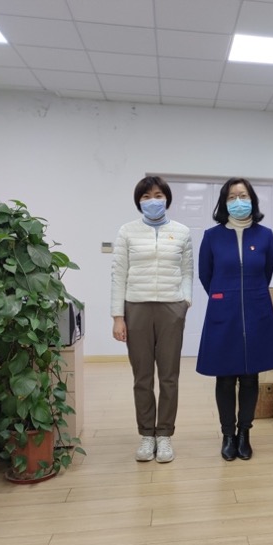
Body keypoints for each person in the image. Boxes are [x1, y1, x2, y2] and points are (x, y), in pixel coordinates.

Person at [196, 178, 273, 461]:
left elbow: (266, 273)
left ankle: (244, 433)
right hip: (223, 312)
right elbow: (205, 275)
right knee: (224, 377)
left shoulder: (265, 235)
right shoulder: (212, 236)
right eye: (232, 196)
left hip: (257, 311)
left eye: (243, 195)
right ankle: (227, 435)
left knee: (250, 376)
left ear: (252, 200)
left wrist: (250, 295)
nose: (238, 201)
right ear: (224, 202)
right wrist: (224, 296)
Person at [111, 175, 193, 464]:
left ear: (167, 198)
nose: (152, 201)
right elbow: (118, 274)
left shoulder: (181, 232)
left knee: (169, 376)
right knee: (142, 377)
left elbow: (187, 271)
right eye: (146, 197)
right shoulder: (127, 231)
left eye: (158, 195)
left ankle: (165, 434)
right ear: (139, 201)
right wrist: (118, 317)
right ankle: (147, 434)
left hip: (171, 308)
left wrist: (185, 301)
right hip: (136, 308)